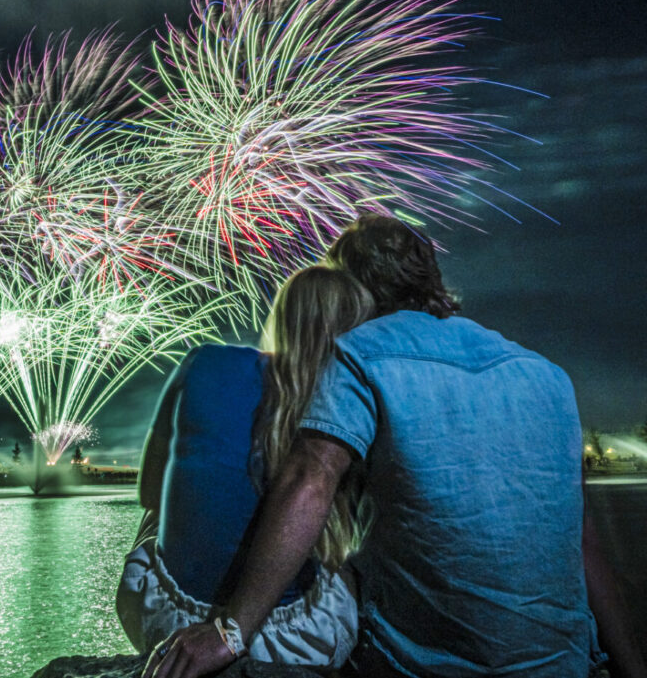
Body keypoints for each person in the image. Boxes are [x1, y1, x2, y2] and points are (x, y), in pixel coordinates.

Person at [143, 214, 647, 678]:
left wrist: (231, 632)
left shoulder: (360, 354)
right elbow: (584, 546)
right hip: (560, 663)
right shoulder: (548, 375)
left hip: (422, 664)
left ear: (354, 289)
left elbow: (310, 478)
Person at [116, 266, 374, 668]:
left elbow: (150, 492)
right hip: (293, 640)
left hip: (165, 621)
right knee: (347, 559)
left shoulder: (202, 360)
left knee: (155, 517)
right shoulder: (344, 399)